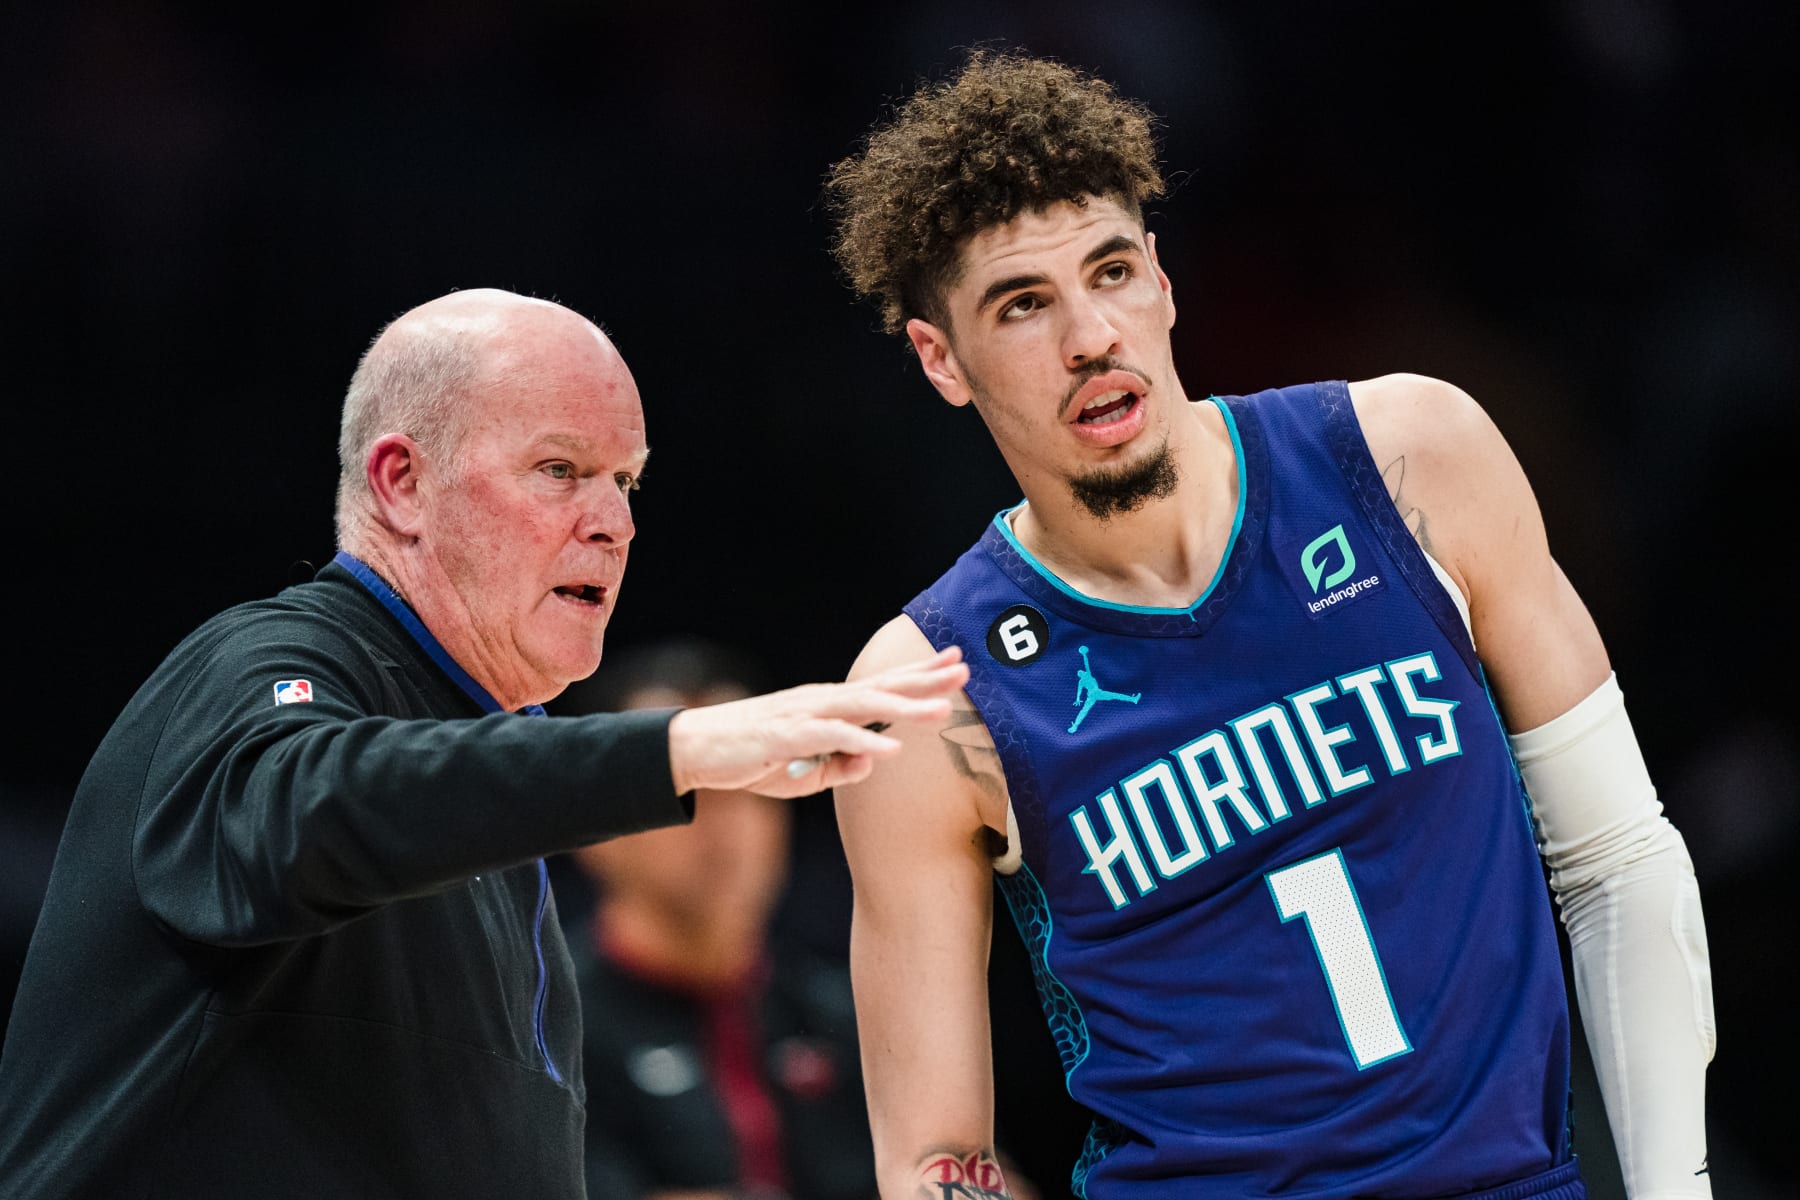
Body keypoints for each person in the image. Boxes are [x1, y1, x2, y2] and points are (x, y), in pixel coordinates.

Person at [824, 52, 1714, 1200]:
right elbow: (938, 1156)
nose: (1090, 336)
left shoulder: (1410, 460)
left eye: (1110, 272)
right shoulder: (929, 693)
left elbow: (1616, 862)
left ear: (1164, 280)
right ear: (940, 359)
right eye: (1024, 304)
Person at [0, 288, 967, 1200]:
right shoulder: (270, 659)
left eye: (626, 480)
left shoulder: (490, 822)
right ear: (402, 483)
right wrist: (673, 750)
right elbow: (302, 812)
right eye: (560, 470)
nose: (617, 523)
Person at [555, 638, 878, 1200]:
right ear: (594, 833)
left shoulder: (845, 1010)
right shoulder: (543, 1026)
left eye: (754, 780)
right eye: (685, 788)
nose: (722, 815)